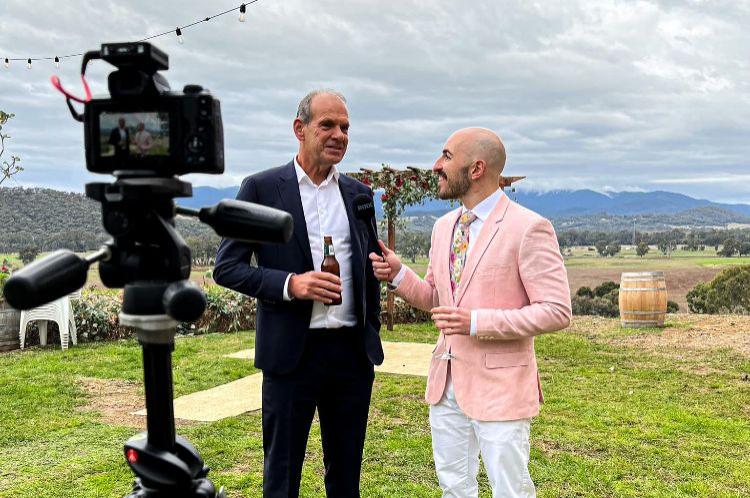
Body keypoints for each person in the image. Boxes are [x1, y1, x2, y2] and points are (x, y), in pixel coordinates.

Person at [369, 128, 571, 498]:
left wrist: (477, 322)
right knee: (454, 488)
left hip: (501, 389)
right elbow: (435, 298)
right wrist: (398, 273)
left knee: (510, 490)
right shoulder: (444, 227)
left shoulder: (529, 228)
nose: (436, 166)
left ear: (476, 168)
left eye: (446, 156)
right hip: (445, 384)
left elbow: (557, 310)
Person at [213, 89, 383, 498]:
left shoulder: (359, 194)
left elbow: (370, 261)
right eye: (327, 125)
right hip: (292, 355)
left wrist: (381, 272)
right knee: (282, 477)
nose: (339, 134)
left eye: (345, 127)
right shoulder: (261, 189)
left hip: (351, 356)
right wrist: (292, 285)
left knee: (346, 479)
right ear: (299, 128)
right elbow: (227, 267)